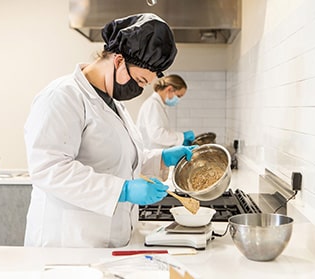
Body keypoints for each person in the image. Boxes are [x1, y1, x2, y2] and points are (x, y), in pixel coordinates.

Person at [23, 13, 196, 248]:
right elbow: (49, 168)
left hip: (108, 242)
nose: (141, 89)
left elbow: (119, 161)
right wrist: (122, 190)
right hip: (69, 244)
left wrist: (162, 159)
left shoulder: (113, 104)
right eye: (141, 80)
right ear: (118, 61)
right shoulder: (63, 96)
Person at [136, 74, 195, 149]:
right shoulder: (153, 104)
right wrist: (182, 137)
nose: (178, 100)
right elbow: (157, 135)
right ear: (169, 89)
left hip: (154, 154)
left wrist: (179, 141)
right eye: (178, 96)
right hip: (150, 154)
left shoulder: (159, 105)